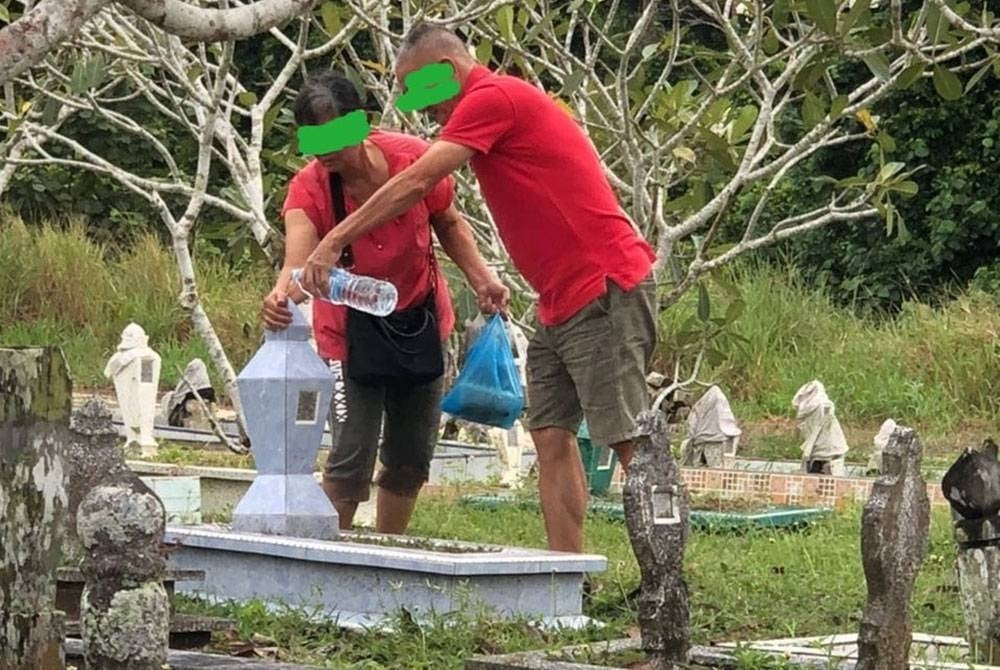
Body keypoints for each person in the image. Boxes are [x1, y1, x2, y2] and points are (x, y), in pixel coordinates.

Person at [298, 26, 658, 553]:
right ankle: (563, 578)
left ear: (449, 67)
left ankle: (665, 581)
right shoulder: (319, 178)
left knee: (630, 440)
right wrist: (485, 277)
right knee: (551, 436)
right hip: (556, 302)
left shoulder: (493, 96)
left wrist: (336, 240)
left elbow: (421, 186)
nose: (422, 111)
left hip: (603, 285)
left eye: (420, 90)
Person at [262, 72, 507, 534]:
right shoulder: (309, 188)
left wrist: (482, 278)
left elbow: (449, 223)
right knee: (351, 452)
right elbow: (298, 262)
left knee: (411, 453)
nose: (327, 151)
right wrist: (281, 297)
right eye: (316, 141)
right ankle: (329, 560)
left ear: (360, 122)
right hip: (349, 337)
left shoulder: (412, 160)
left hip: (419, 322)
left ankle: (390, 552)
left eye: (336, 134)